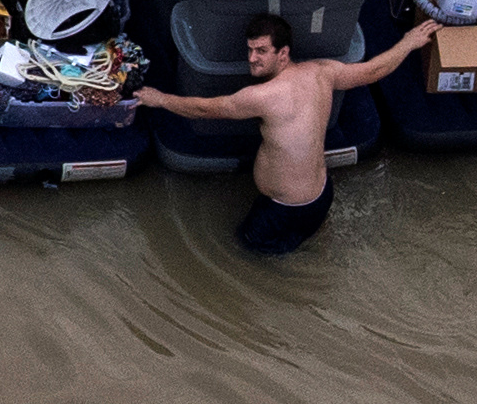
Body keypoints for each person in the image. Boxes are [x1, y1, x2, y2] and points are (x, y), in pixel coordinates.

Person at [135, 13, 442, 254]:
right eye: (250, 49)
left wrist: (159, 99)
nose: (252, 57)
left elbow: (206, 109)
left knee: (243, 253)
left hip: (285, 211)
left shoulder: (262, 96)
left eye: (262, 51)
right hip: (321, 196)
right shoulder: (323, 72)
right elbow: (373, 70)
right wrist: (408, 42)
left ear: (283, 53)